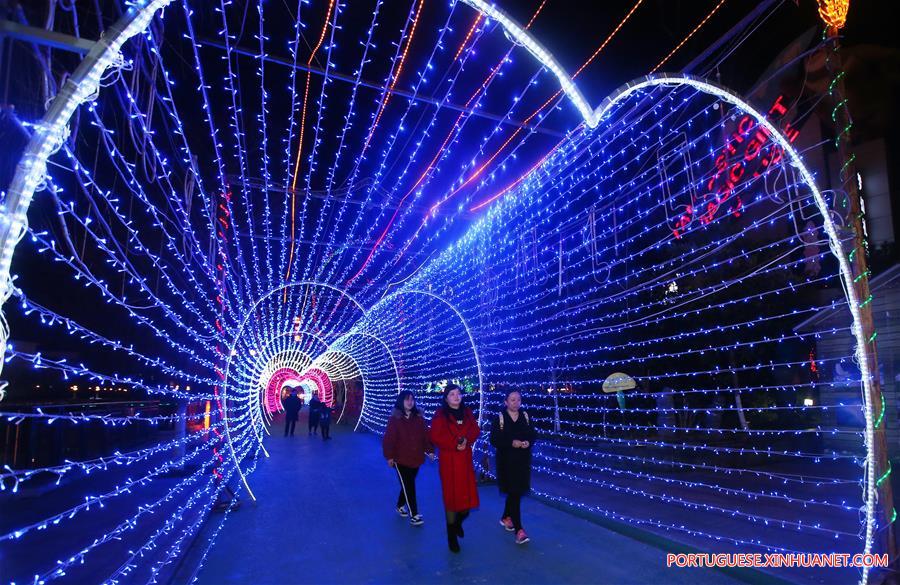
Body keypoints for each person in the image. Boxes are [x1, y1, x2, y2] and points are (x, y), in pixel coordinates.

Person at [429, 384, 480, 553]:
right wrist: (453, 444)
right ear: (446, 398)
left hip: (464, 461)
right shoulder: (440, 415)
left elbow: (475, 430)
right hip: (449, 462)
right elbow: (436, 435)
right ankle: (451, 535)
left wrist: (466, 440)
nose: (456, 396)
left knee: (466, 503)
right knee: (451, 500)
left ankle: (458, 523)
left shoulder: (468, 413)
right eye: (452, 394)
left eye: (458, 393)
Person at [490, 390, 536, 545]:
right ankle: (519, 530)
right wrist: (511, 443)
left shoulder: (526, 416)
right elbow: (494, 440)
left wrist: (528, 442)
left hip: (522, 461)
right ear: (506, 402)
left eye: (518, 399)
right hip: (506, 463)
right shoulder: (500, 419)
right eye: (512, 400)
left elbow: (532, 434)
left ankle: (505, 517)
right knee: (514, 492)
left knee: (515, 493)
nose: (516, 402)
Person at [382, 391, 434, 526]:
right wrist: (389, 456)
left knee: (406, 485)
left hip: (416, 458)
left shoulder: (419, 418)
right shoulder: (395, 419)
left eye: (412, 399)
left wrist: (429, 450)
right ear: (401, 401)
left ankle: (400, 505)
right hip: (400, 459)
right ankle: (414, 514)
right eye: (407, 400)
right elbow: (389, 439)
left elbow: (425, 437)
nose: (410, 402)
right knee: (410, 486)